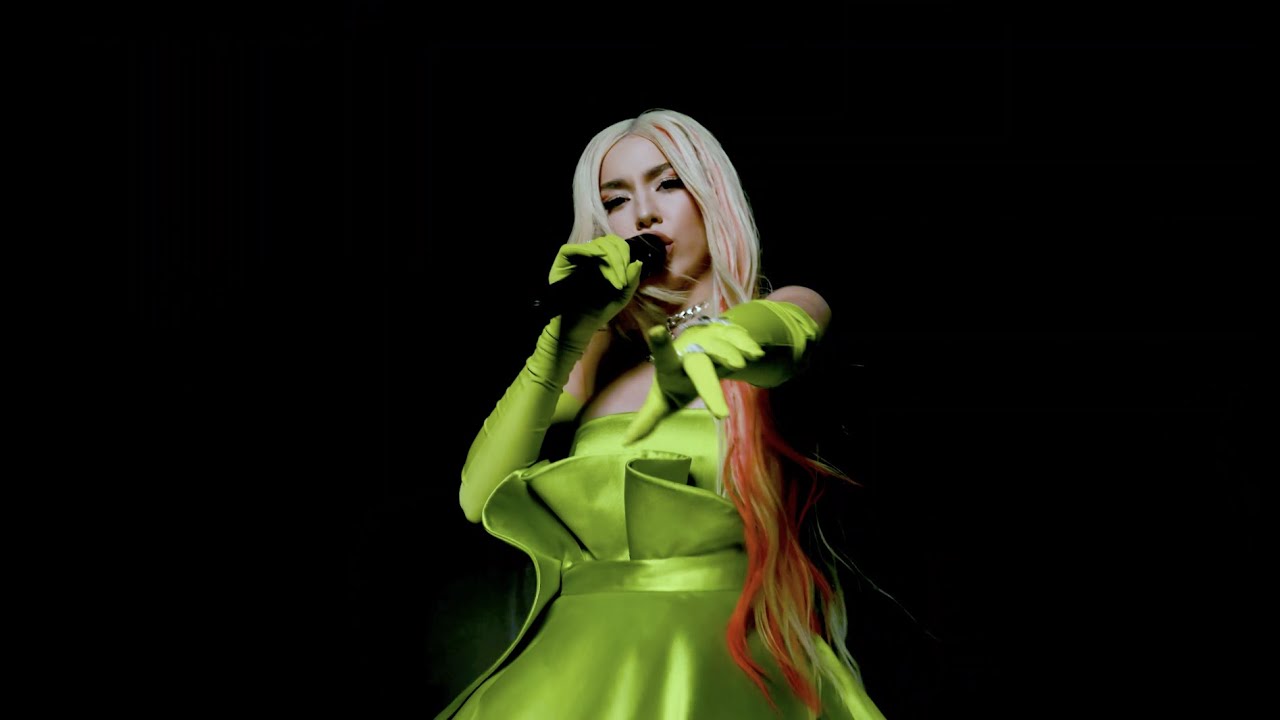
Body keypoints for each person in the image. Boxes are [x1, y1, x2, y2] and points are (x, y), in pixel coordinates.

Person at [439, 109, 886, 719]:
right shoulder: (595, 360)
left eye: (668, 183)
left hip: (717, 666)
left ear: (712, 197)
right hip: (573, 669)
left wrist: (720, 343)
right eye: (616, 200)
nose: (643, 214)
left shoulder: (787, 305)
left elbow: (783, 333)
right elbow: (479, 497)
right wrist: (565, 337)